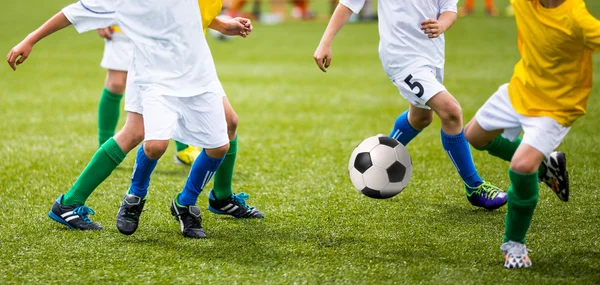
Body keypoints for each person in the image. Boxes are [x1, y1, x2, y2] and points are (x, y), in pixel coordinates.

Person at [7, 0, 263, 239]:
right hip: (153, 74)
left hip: (195, 70)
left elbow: (189, 13)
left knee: (222, 136)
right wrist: (30, 39)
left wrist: (222, 24)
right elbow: (73, 13)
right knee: (147, 140)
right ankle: (123, 197)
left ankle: (199, 201)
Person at [314, 0, 508, 210]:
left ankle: (380, 156)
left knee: (420, 118)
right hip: (400, 56)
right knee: (451, 111)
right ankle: (474, 186)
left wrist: (441, 25)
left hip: (431, 56)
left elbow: (449, 11)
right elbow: (349, 3)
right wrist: (325, 42)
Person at [463, 0, 596, 269]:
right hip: (520, 90)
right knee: (474, 135)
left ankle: (514, 244)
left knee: (522, 165)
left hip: (557, 106)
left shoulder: (578, 20)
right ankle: (546, 164)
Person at [96, 25, 202, 165]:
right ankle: (105, 145)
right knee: (116, 83)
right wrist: (100, 13)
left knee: (169, 82)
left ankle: (184, 147)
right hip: (122, 24)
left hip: (160, 29)